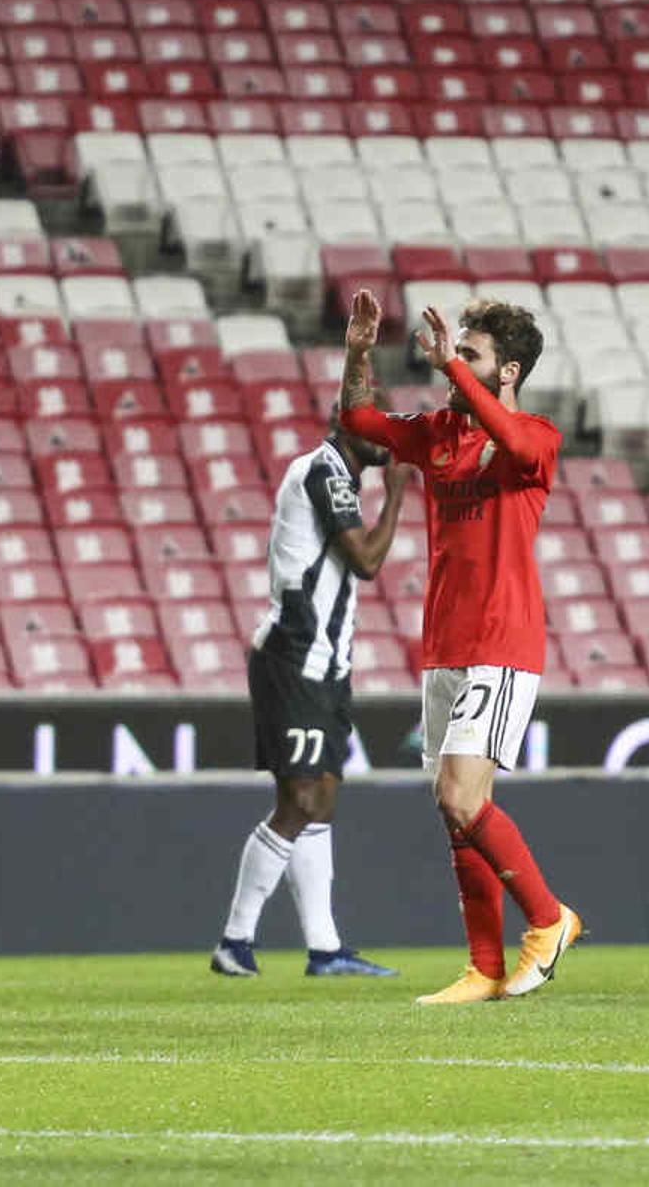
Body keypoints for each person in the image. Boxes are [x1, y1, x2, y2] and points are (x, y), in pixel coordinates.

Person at [339, 290, 581, 1005]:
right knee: (455, 810)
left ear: (507, 371)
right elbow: (356, 420)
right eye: (455, 356)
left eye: (470, 357)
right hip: (443, 644)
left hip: (502, 643)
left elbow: (516, 441)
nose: (453, 369)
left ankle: (548, 918)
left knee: (459, 794)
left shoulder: (534, 436)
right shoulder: (440, 432)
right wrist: (358, 350)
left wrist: (453, 364)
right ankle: (483, 966)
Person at [209, 419, 411, 978]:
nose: (388, 439)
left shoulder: (340, 478)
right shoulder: (321, 470)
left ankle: (325, 949)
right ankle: (236, 939)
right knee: (298, 801)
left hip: (327, 665)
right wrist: (396, 494)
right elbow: (367, 561)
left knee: (319, 801)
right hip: (295, 657)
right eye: (378, 426)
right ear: (347, 424)